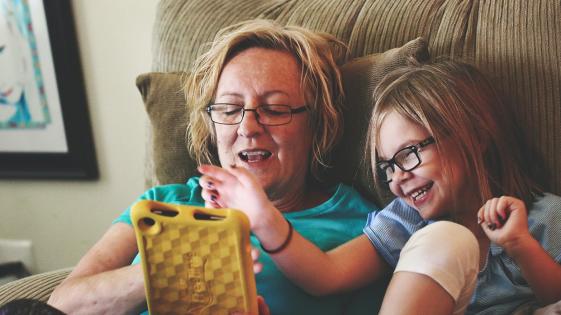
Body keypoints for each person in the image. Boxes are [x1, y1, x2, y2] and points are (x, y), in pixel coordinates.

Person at [48, 19, 384, 314]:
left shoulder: (359, 227)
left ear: (317, 124)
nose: (248, 127)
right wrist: (174, 270)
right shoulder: (164, 203)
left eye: (276, 109)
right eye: (228, 108)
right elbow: (62, 306)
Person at [198, 59, 561, 314]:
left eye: (408, 154)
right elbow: (326, 275)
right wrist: (264, 218)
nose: (396, 178)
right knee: (447, 238)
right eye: (387, 166)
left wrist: (519, 245)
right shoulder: (408, 222)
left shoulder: (546, 217)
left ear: (475, 135)